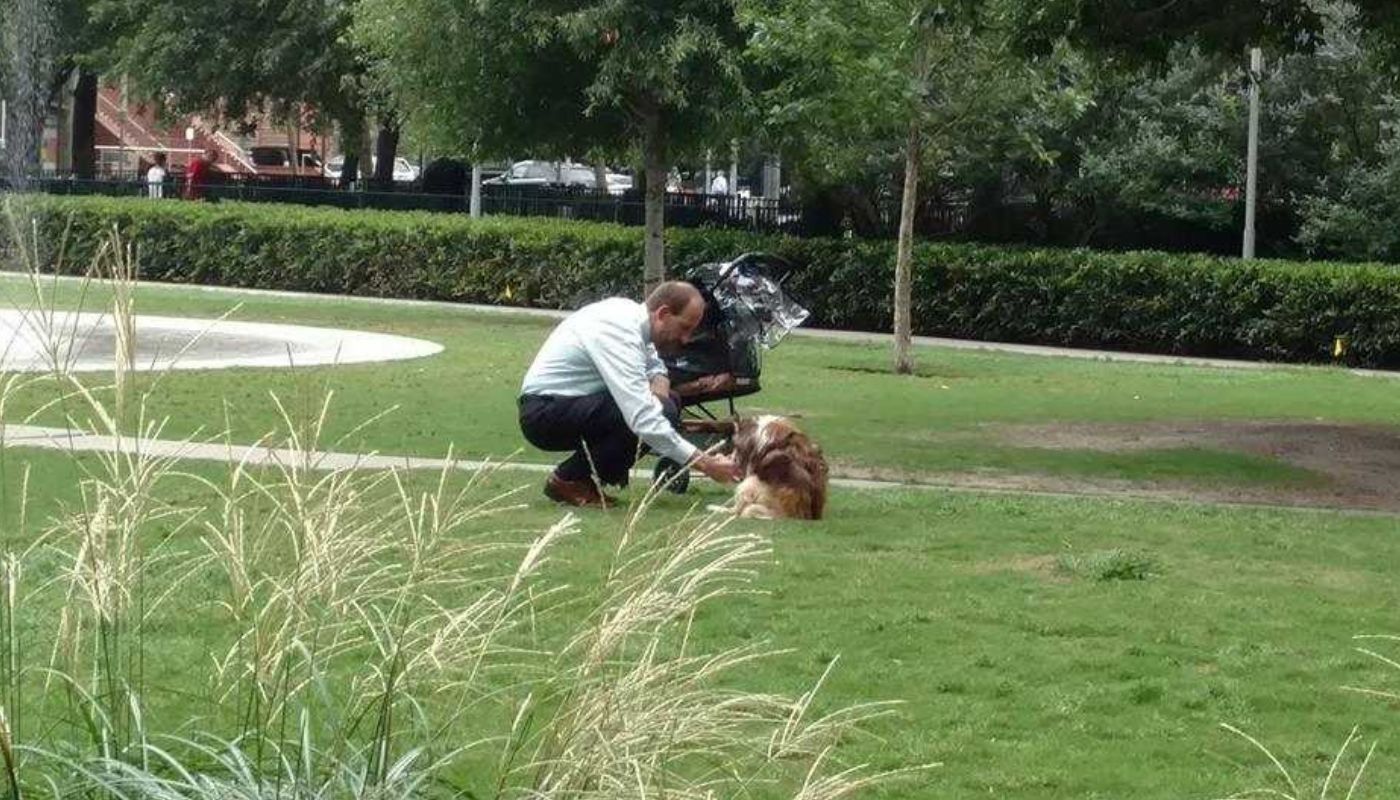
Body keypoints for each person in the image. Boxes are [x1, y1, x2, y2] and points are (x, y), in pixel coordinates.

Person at [519, 281, 741, 507]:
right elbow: (642, 417)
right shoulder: (618, 331)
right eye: (684, 328)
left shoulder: (632, 318)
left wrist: (661, 393)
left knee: (667, 406)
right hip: (544, 413)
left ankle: (582, 479)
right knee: (656, 413)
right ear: (663, 313)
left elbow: (655, 366)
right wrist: (706, 464)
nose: (685, 340)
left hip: (566, 404)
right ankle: (569, 479)